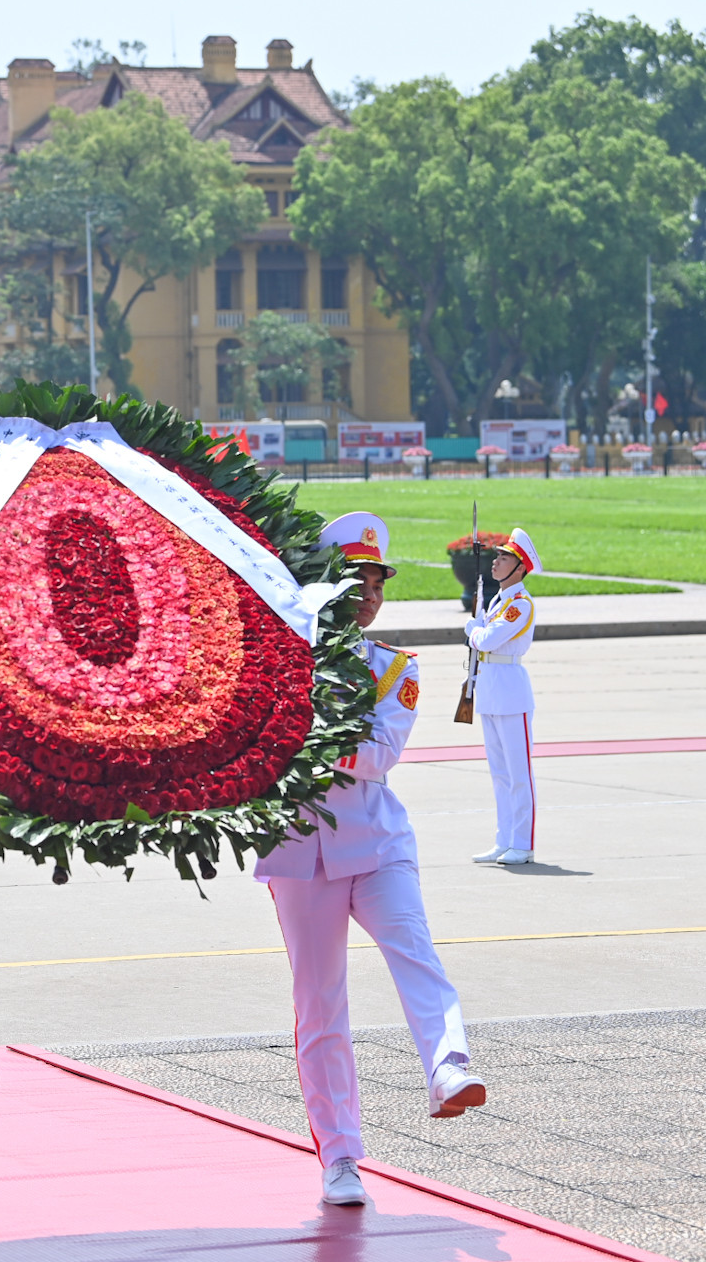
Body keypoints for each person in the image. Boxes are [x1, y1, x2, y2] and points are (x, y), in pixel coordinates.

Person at [256, 513, 485, 1208]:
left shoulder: (395, 668)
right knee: (319, 1006)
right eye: (355, 579)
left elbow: (379, 757)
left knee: (414, 951)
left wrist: (303, 734)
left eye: (377, 580)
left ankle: (449, 1066)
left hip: (377, 846)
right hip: (298, 854)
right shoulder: (274, 662)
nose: (369, 593)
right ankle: (340, 1156)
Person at [466, 528, 540, 866]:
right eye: (496, 557)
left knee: (518, 773)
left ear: (520, 567)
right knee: (499, 772)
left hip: (510, 690)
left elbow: (488, 640)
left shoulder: (520, 605)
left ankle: (522, 844)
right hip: (491, 689)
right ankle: (504, 840)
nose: (496, 562)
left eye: (503, 558)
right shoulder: (499, 600)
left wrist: (474, 631)